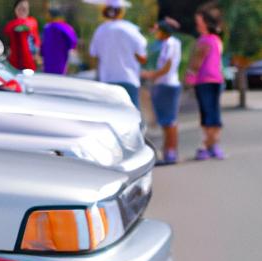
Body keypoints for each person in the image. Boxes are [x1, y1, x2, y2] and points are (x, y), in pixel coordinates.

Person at [89, 0, 147, 109]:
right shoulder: (131, 30)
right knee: (131, 118)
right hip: (128, 79)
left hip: (107, 80)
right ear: (121, 11)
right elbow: (143, 58)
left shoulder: (100, 30)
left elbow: (94, 56)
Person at [186, 1, 225, 160]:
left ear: (205, 23)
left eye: (199, 21)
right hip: (217, 80)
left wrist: (189, 77)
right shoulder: (216, 39)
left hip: (204, 81)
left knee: (207, 114)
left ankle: (206, 146)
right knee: (214, 113)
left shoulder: (204, 41)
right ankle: (213, 146)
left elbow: (197, 61)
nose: (197, 24)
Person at [142, 18, 182, 165]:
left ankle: (171, 152)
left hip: (168, 84)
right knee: (166, 121)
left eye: (158, 30)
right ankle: (167, 151)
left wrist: (151, 75)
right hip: (163, 84)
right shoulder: (166, 44)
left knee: (169, 121)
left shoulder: (171, 43)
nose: (156, 33)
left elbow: (167, 66)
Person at [4, 0, 41, 71]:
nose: (23, 11)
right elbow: (7, 30)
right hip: (14, 63)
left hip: (30, 62)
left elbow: (36, 38)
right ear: (15, 10)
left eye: (25, 9)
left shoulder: (32, 22)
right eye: (20, 8)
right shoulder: (11, 24)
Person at [41, 6, 78, 75]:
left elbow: (43, 45)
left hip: (48, 61)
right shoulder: (65, 27)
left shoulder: (47, 28)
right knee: (59, 80)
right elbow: (73, 42)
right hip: (61, 60)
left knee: (48, 80)